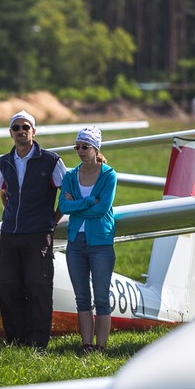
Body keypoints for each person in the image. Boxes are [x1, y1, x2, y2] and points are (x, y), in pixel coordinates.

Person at [0, 110, 68, 350]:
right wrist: (12, 215)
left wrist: (52, 221)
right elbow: (4, 193)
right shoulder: (3, 162)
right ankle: (16, 342)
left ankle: (37, 344)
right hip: (10, 234)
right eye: (16, 128)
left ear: (33, 131)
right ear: (10, 133)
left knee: (38, 288)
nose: (21, 131)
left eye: (25, 127)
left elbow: (67, 194)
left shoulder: (51, 160)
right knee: (8, 286)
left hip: (38, 234)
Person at [58, 126, 117, 354]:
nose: (80, 151)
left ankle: (100, 347)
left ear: (96, 148)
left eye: (85, 147)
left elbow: (102, 209)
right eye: (78, 147)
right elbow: (63, 206)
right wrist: (88, 201)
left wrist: (79, 206)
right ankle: (86, 345)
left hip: (100, 242)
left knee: (101, 297)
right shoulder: (71, 176)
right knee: (82, 297)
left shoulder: (108, 175)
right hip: (75, 242)